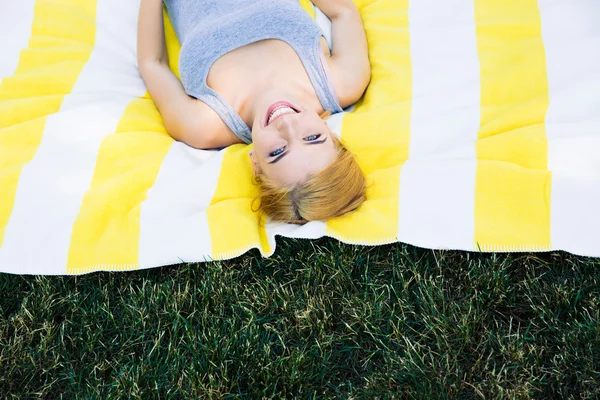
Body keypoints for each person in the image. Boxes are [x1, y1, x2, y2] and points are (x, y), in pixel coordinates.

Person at [137, 0, 370, 224]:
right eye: (312, 138)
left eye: (278, 151)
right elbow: (343, 12)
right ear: (332, 136)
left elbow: (152, 63)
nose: (287, 126)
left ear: (256, 163)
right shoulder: (344, 81)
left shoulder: (203, 125)